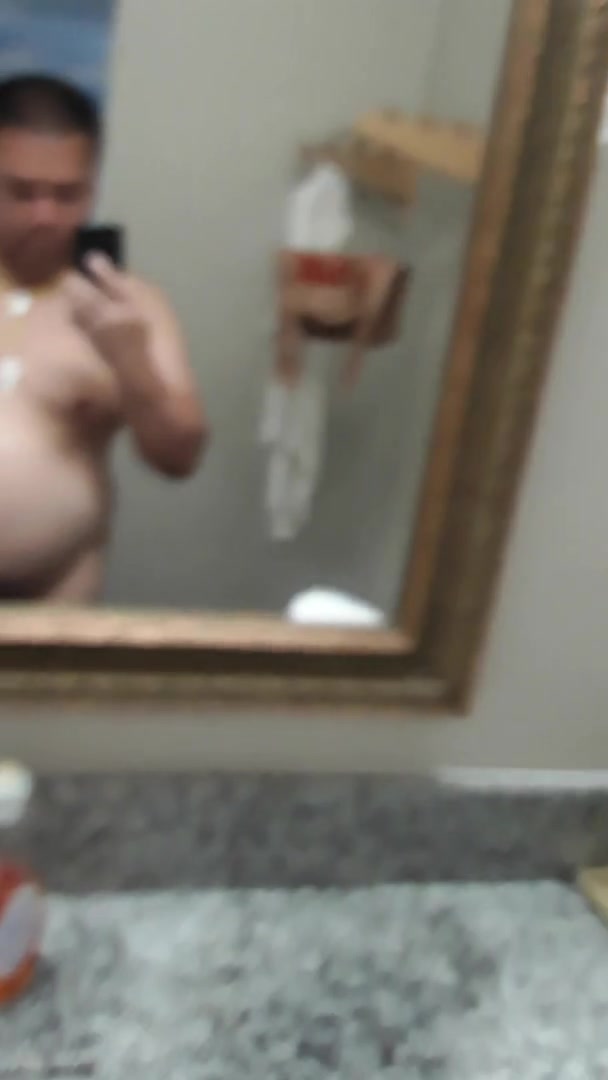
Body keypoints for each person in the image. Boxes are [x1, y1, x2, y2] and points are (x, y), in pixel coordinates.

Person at [0, 74, 208, 603]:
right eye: (20, 191)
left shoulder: (131, 305)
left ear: (92, 187)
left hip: (51, 607)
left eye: (67, 194)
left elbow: (179, 457)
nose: (45, 216)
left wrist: (130, 361)